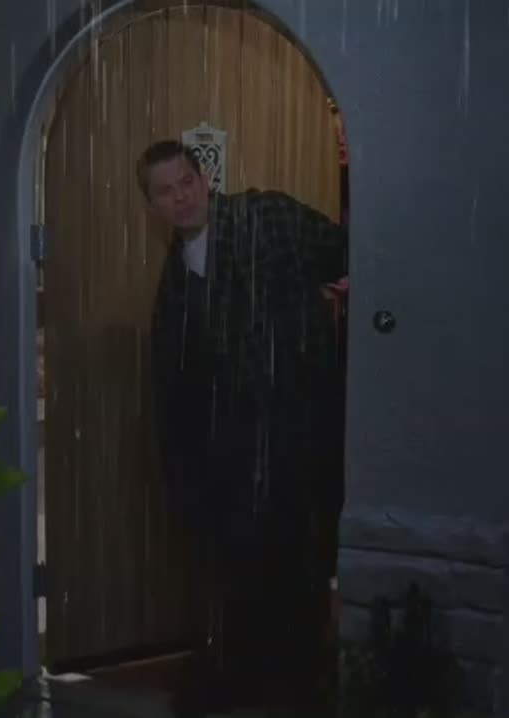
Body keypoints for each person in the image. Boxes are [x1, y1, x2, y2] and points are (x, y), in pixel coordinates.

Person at [139, 140, 347, 716]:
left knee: (299, 575)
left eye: (186, 182)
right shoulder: (175, 284)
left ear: (203, 179)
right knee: (238, 581)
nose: (181, 198)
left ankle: (302, 690)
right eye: (165, 192)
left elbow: (347, 251)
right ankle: (247, 683)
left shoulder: (267, 216)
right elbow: (176, 389)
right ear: (153, 206)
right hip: (228, 462)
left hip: (294, 438)